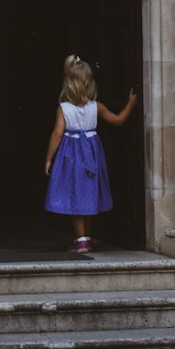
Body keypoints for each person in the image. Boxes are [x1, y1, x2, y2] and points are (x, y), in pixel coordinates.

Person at [44, 54, 137, 255]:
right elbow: (119, 120)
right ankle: (85, 236)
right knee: (88, 193)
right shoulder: (97, 107)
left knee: (76, 195)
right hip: (92, 153)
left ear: (68, 84)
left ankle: (81, 239)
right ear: (90, 84)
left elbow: (58, 133)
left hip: (71, 154)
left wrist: (49, 158)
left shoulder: (63, 108)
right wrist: (131, 103)